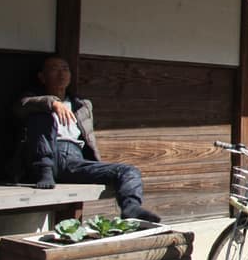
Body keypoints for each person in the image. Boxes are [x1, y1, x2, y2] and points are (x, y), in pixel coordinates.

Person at [14, 56, 160, 223]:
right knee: (41, 116)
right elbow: (22, 106)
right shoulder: (30, 100)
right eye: (55, 69)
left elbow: (88, 138)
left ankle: (131, 208)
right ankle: (45, 169)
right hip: (42, 158)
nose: (61, 74)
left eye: (65, 69)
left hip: (73, 160)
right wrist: (53, 103)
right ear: (42, 76)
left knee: (129, 171)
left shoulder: (81, 105)